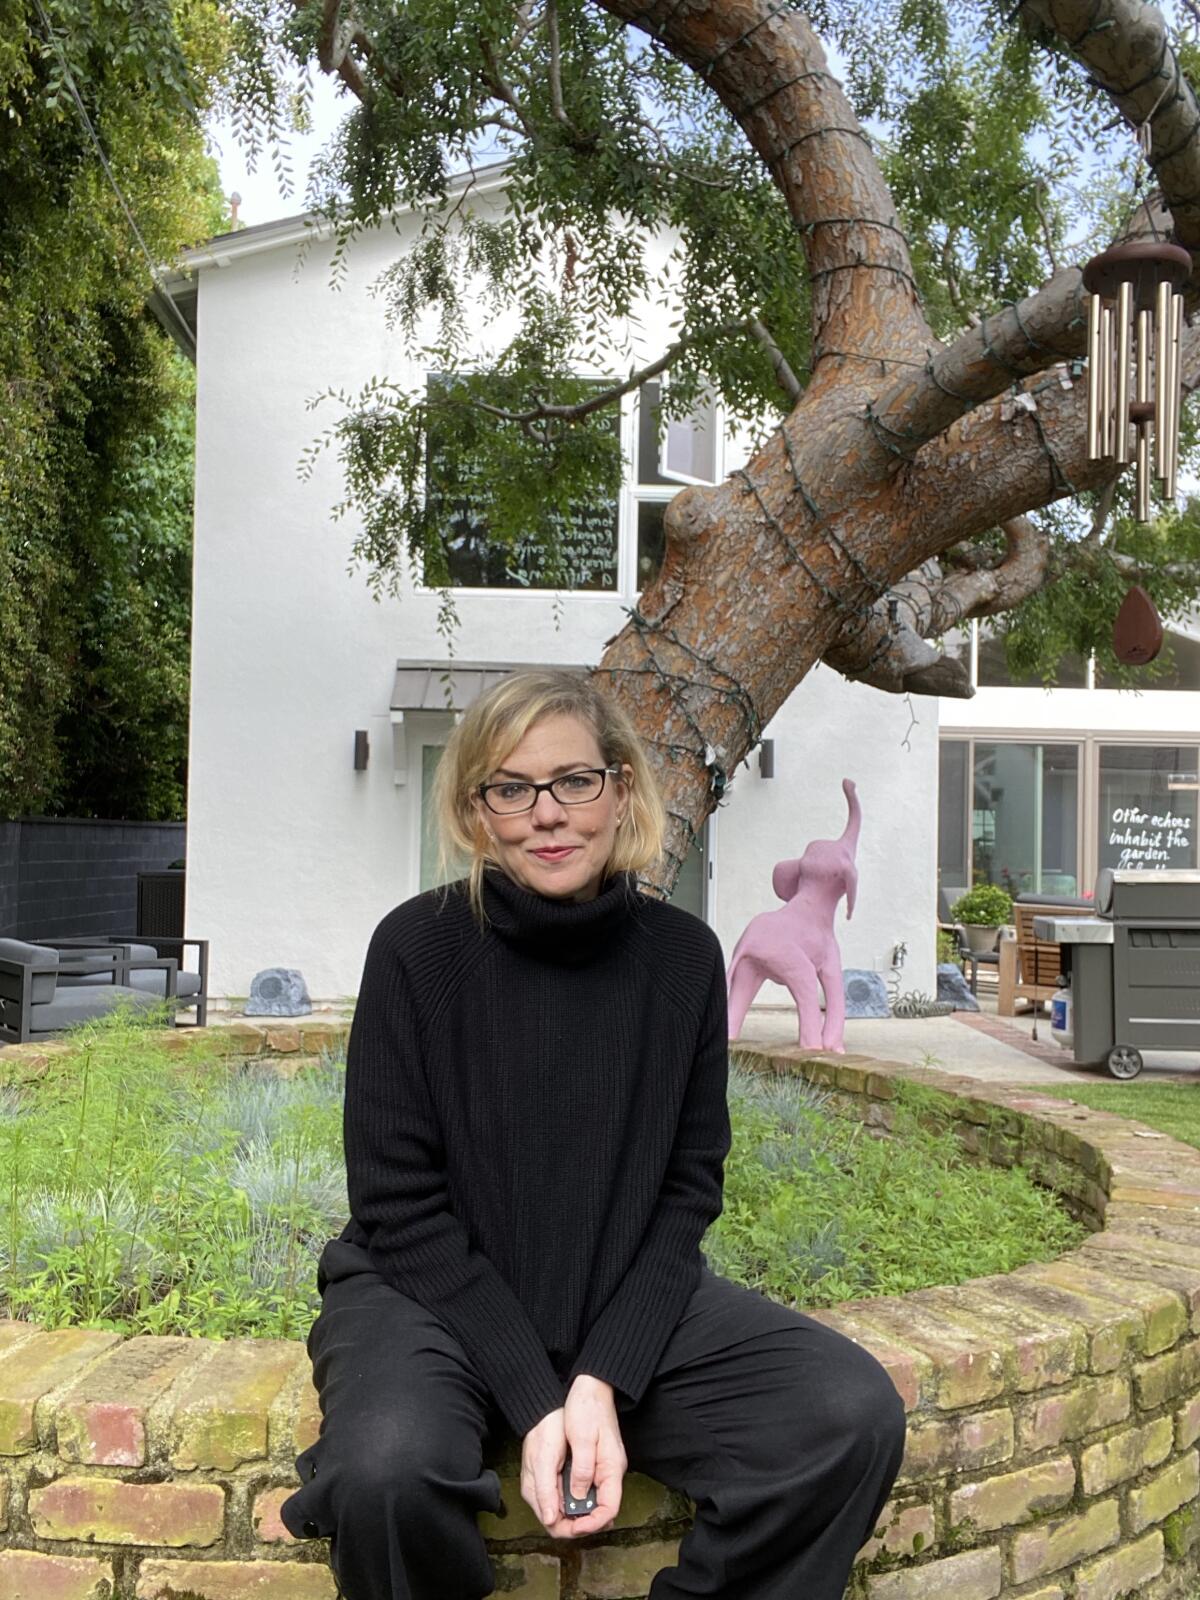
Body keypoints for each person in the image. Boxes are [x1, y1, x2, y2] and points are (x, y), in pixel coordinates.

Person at [279, 669, 906, 1600]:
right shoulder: (415, 948)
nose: (548, 813)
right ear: (475, 809)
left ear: (619, 790)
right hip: (427, 1298)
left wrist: (602, 1377)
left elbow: (688, 1190)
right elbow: (399, 1207)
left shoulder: (683, 957)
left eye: (574, 780)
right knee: (385, 1474)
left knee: (848, 1415)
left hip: (618, 1289)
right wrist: (536, 1398)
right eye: (511, 788)